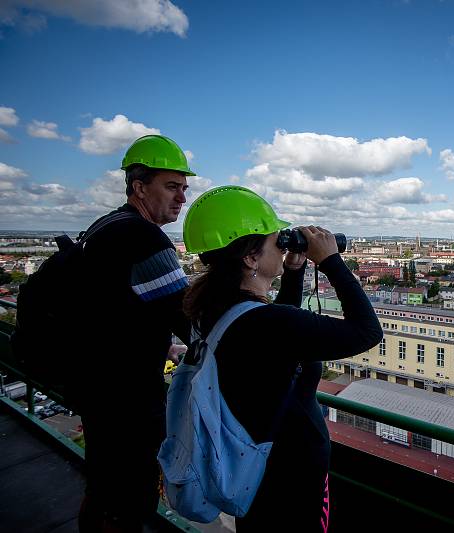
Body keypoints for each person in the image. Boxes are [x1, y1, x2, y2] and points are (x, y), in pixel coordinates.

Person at [182, 186, 382, 532]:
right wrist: (331, 262)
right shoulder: (266, 324)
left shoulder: (217, 310)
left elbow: (280, 343)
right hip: (292, 478)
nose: (283, 245)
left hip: (253, 471)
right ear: (250, 257)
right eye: (278, 241)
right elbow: (367, 331)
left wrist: (293, 271)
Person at [77, 135, 194, 532]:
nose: (182, 198)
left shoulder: (104, 226)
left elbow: (116, 310)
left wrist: (163, 343)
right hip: (127, 397)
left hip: (97, 386)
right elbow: (193, 320)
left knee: (104, 490)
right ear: (139, 187)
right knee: (130, 498)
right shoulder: (143, 237)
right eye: (171, 186)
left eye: (184, 188)